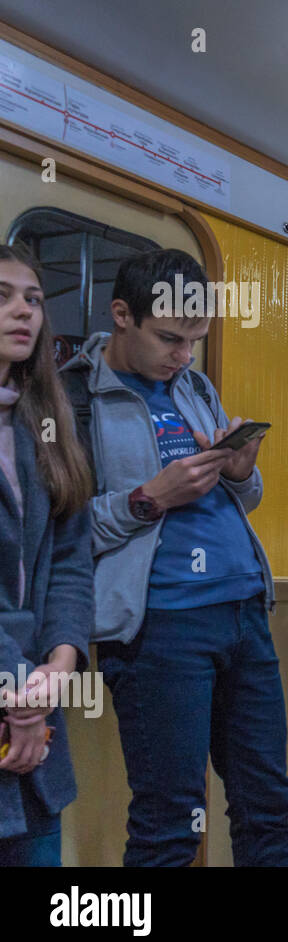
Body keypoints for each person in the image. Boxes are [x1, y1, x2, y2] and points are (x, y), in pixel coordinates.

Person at [61, 249, 288, 866]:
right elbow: (58, 537)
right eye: (169, 338)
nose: (183, 356)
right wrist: (147, 499)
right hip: (161, 624)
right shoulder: (74, 401)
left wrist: (242, 473)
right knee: (171, 823)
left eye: (194, 340)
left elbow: (244, 497)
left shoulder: (194, 386)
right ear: (121, 316)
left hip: (245, 609)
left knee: (267, 806)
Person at [0, 244, 94, 866]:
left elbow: (69, 561)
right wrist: (19, 697)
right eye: (3, 296)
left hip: (35, 704)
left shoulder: (42, 425)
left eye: (33, 299)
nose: (23, 312)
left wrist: (59, 665)